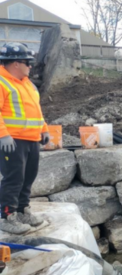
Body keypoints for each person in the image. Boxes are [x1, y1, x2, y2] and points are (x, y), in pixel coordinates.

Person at [0, 42, 49, 234]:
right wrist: (3, 135)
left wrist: (44, 129)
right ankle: (6, 216)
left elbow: (35, 110)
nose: (30, 66)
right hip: (11, 141)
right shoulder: (2, 82)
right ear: (15, 64)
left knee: (28, 177)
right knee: (14, 179)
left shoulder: (27, 84)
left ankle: (21, 210)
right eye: (27, 62)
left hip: (30, 139)